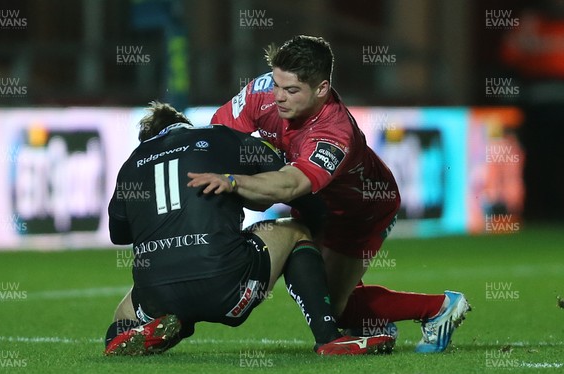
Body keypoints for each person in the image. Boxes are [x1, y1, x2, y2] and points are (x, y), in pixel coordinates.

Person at [187, 35, 471, 353]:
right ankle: (370, 322)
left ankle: (438, 308)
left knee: (332, 305)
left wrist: (234, 181)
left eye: (291, 90)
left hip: (359, 211)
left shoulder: (333, 133)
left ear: (321, 89)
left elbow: (290, 185)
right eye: (277, 84)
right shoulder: (263, 90)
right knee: (307, 274)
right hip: (314, 204)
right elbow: (218, 135)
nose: (278, 96)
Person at [103, 101, 395, 356]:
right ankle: (329, 337)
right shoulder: (220, 137)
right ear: (185, 125)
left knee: (122, 317)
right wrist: (316, 229)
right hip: (228, 287)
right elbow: (294, 189)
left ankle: (141, 330)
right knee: (294, 231)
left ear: (148, 140)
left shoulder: (131, 164)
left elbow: (119, 235)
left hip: (157, 294)